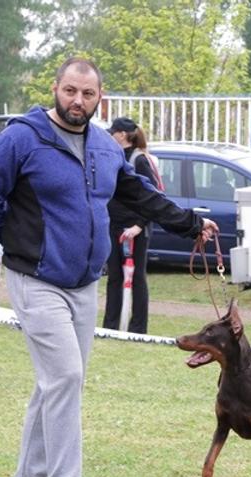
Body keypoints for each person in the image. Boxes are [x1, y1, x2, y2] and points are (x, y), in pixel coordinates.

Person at [0, 56, 218, 477]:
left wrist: (190, 224)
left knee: (56, 381)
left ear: (100, 99)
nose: (78, 101)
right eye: (71, 91)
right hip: (36, 280)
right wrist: (20, 241)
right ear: (55, 89)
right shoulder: (21, 138)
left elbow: (137, 195)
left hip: (84, 285)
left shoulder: (104, 146)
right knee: (65, 378)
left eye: (88, 94)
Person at [102, 116, 160, 334]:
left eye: (113, 132)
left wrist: (139, 225)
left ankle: (138, 328)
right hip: (114, 226)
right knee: (114, 277)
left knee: (136, 278)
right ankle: (111, 326)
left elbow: (152, 195)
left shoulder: (139, 160)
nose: (110, 135)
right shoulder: (114, 156)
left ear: (123, 135)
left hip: (135, 230)